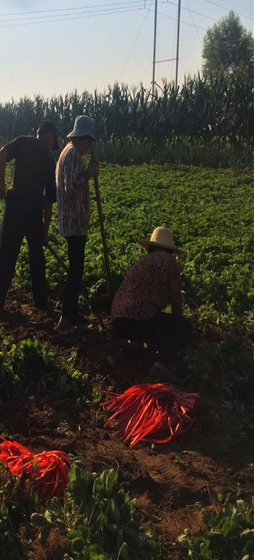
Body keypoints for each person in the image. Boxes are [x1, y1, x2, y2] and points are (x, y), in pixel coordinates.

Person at [0, 119, 59, 317]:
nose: (53, 144)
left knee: (6, 253)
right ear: (47, 135)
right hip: (34, 210)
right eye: (53, 139)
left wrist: (1, 184)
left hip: (15, 205)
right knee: (37, 256)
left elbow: (2, 153)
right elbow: (50, 202)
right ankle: (41, 304)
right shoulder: (50, 161)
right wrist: (44, 232)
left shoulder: (24, 142)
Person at [111, 226, 192, 383]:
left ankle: (135, 349)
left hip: (118, 321)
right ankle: (160, 366)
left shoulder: (143, 261)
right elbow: (176, 297)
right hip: (139, 320)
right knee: (183, 327)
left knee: (148, 319)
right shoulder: (169, 261)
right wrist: (176, 322)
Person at [55, 115, 99, 330]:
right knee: (75, 270)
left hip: (75, 222)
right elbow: (70, 188)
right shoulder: (72, 154)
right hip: (73, 223)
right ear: (83, 138)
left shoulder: (68, 152)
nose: (88, 147)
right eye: (89, 142)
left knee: (76, 269)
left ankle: (71, 313)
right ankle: (66, 317)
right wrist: (88, 175)